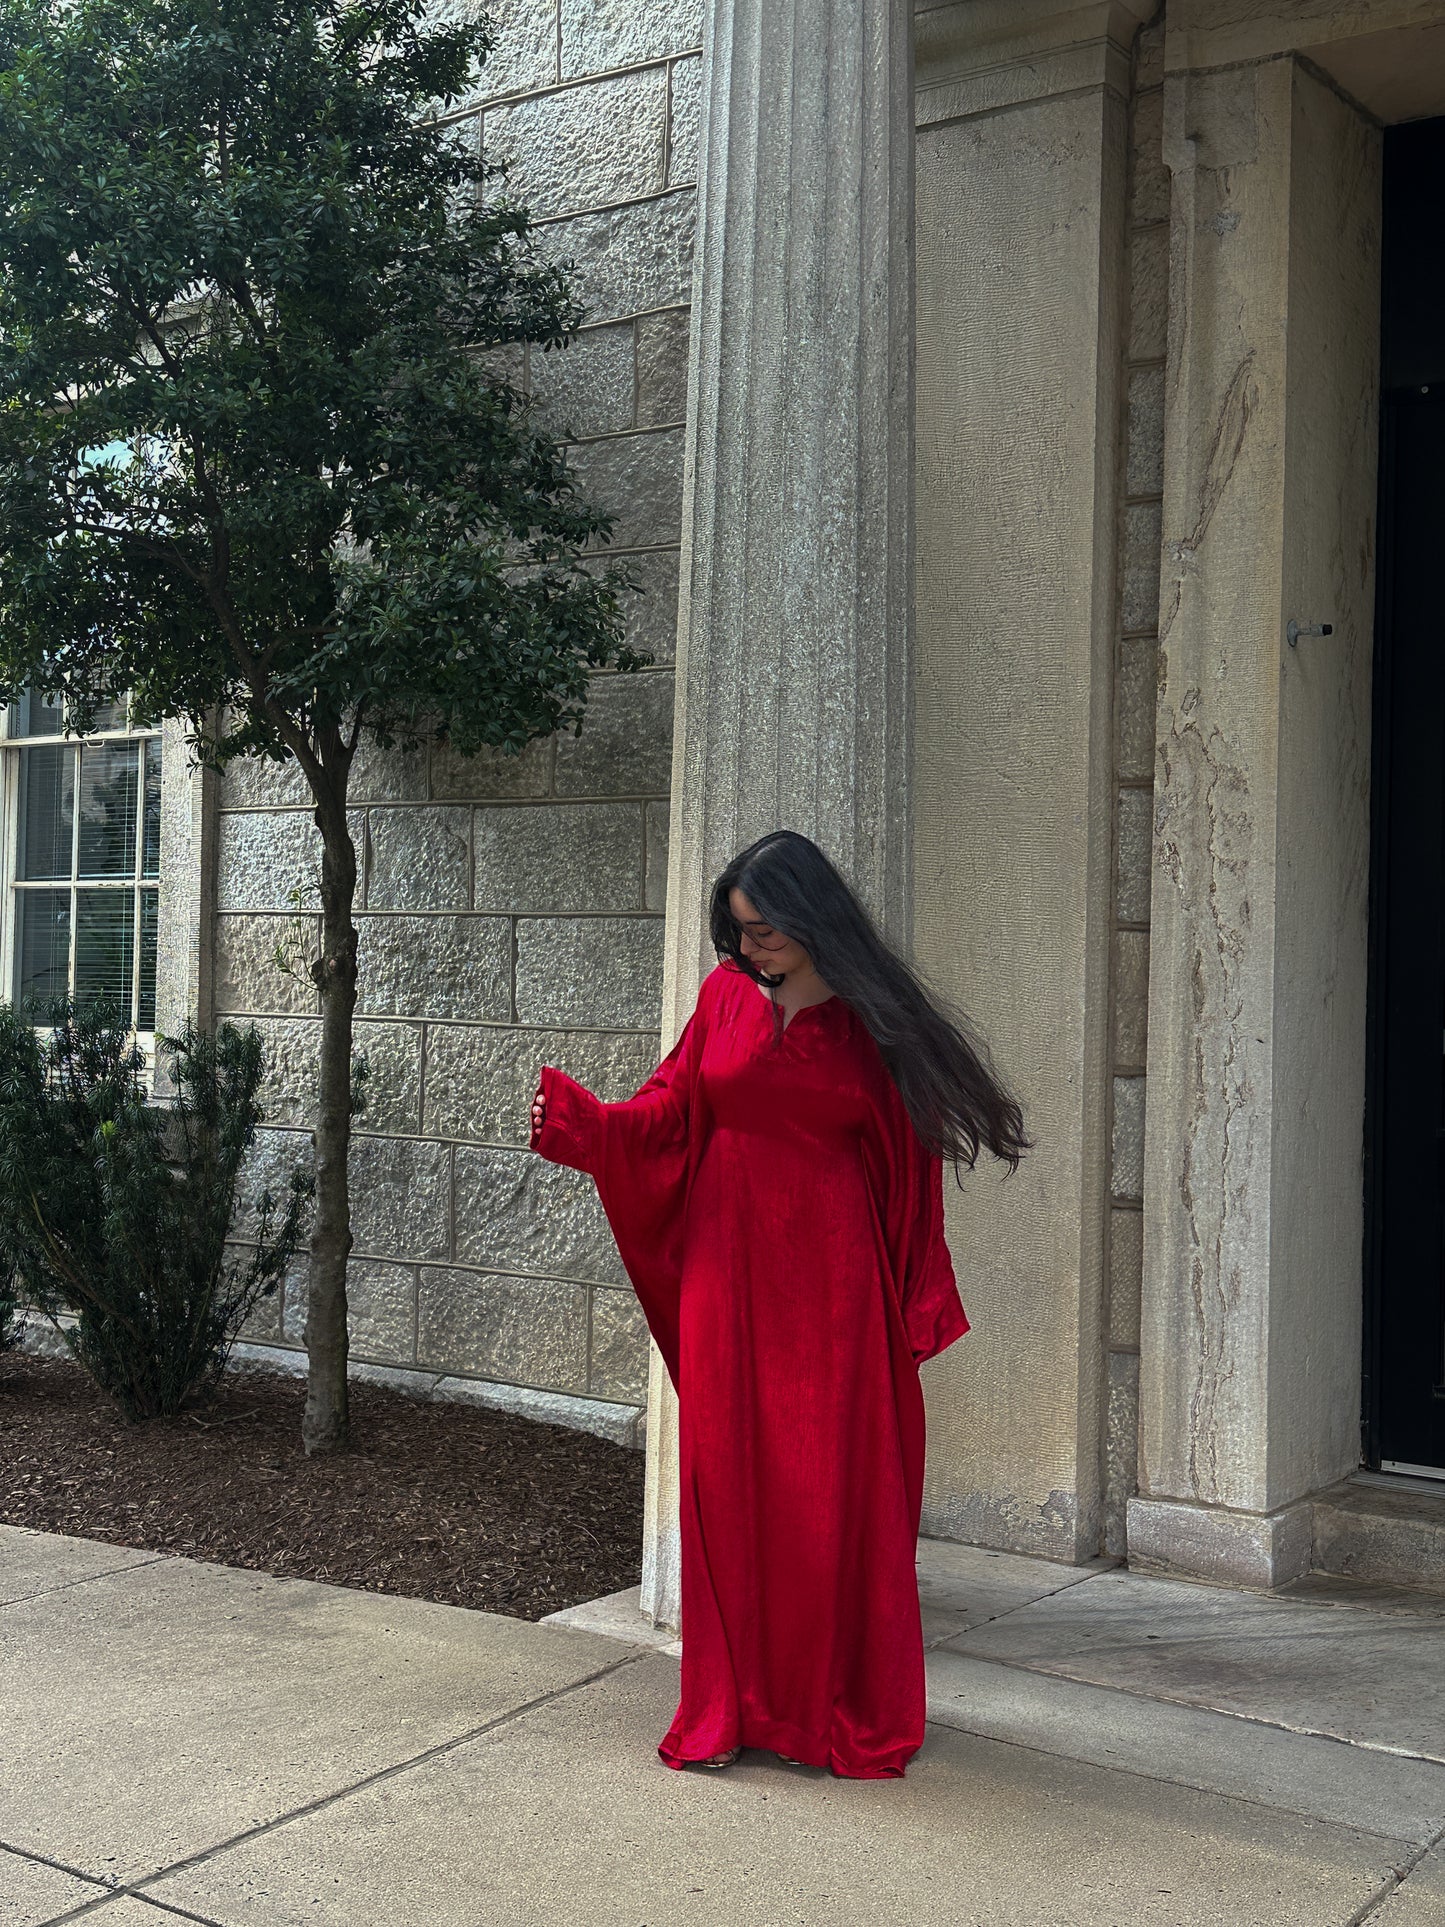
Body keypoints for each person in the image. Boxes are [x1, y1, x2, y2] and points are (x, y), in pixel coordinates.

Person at [529, 829, 1028, 1779]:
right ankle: (727, 1706)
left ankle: (831, 1709)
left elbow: (908, 1175)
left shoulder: (874, 1028)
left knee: (827, 1495)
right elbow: (670, 1110)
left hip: (834, 1288)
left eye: (763, 931)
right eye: (739, 931)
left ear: (811, 919)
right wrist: (588, 1126)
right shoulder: (723, 1000)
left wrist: (911, 1303)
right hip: (728, 1273)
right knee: (727, 1484)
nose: (749, 949)